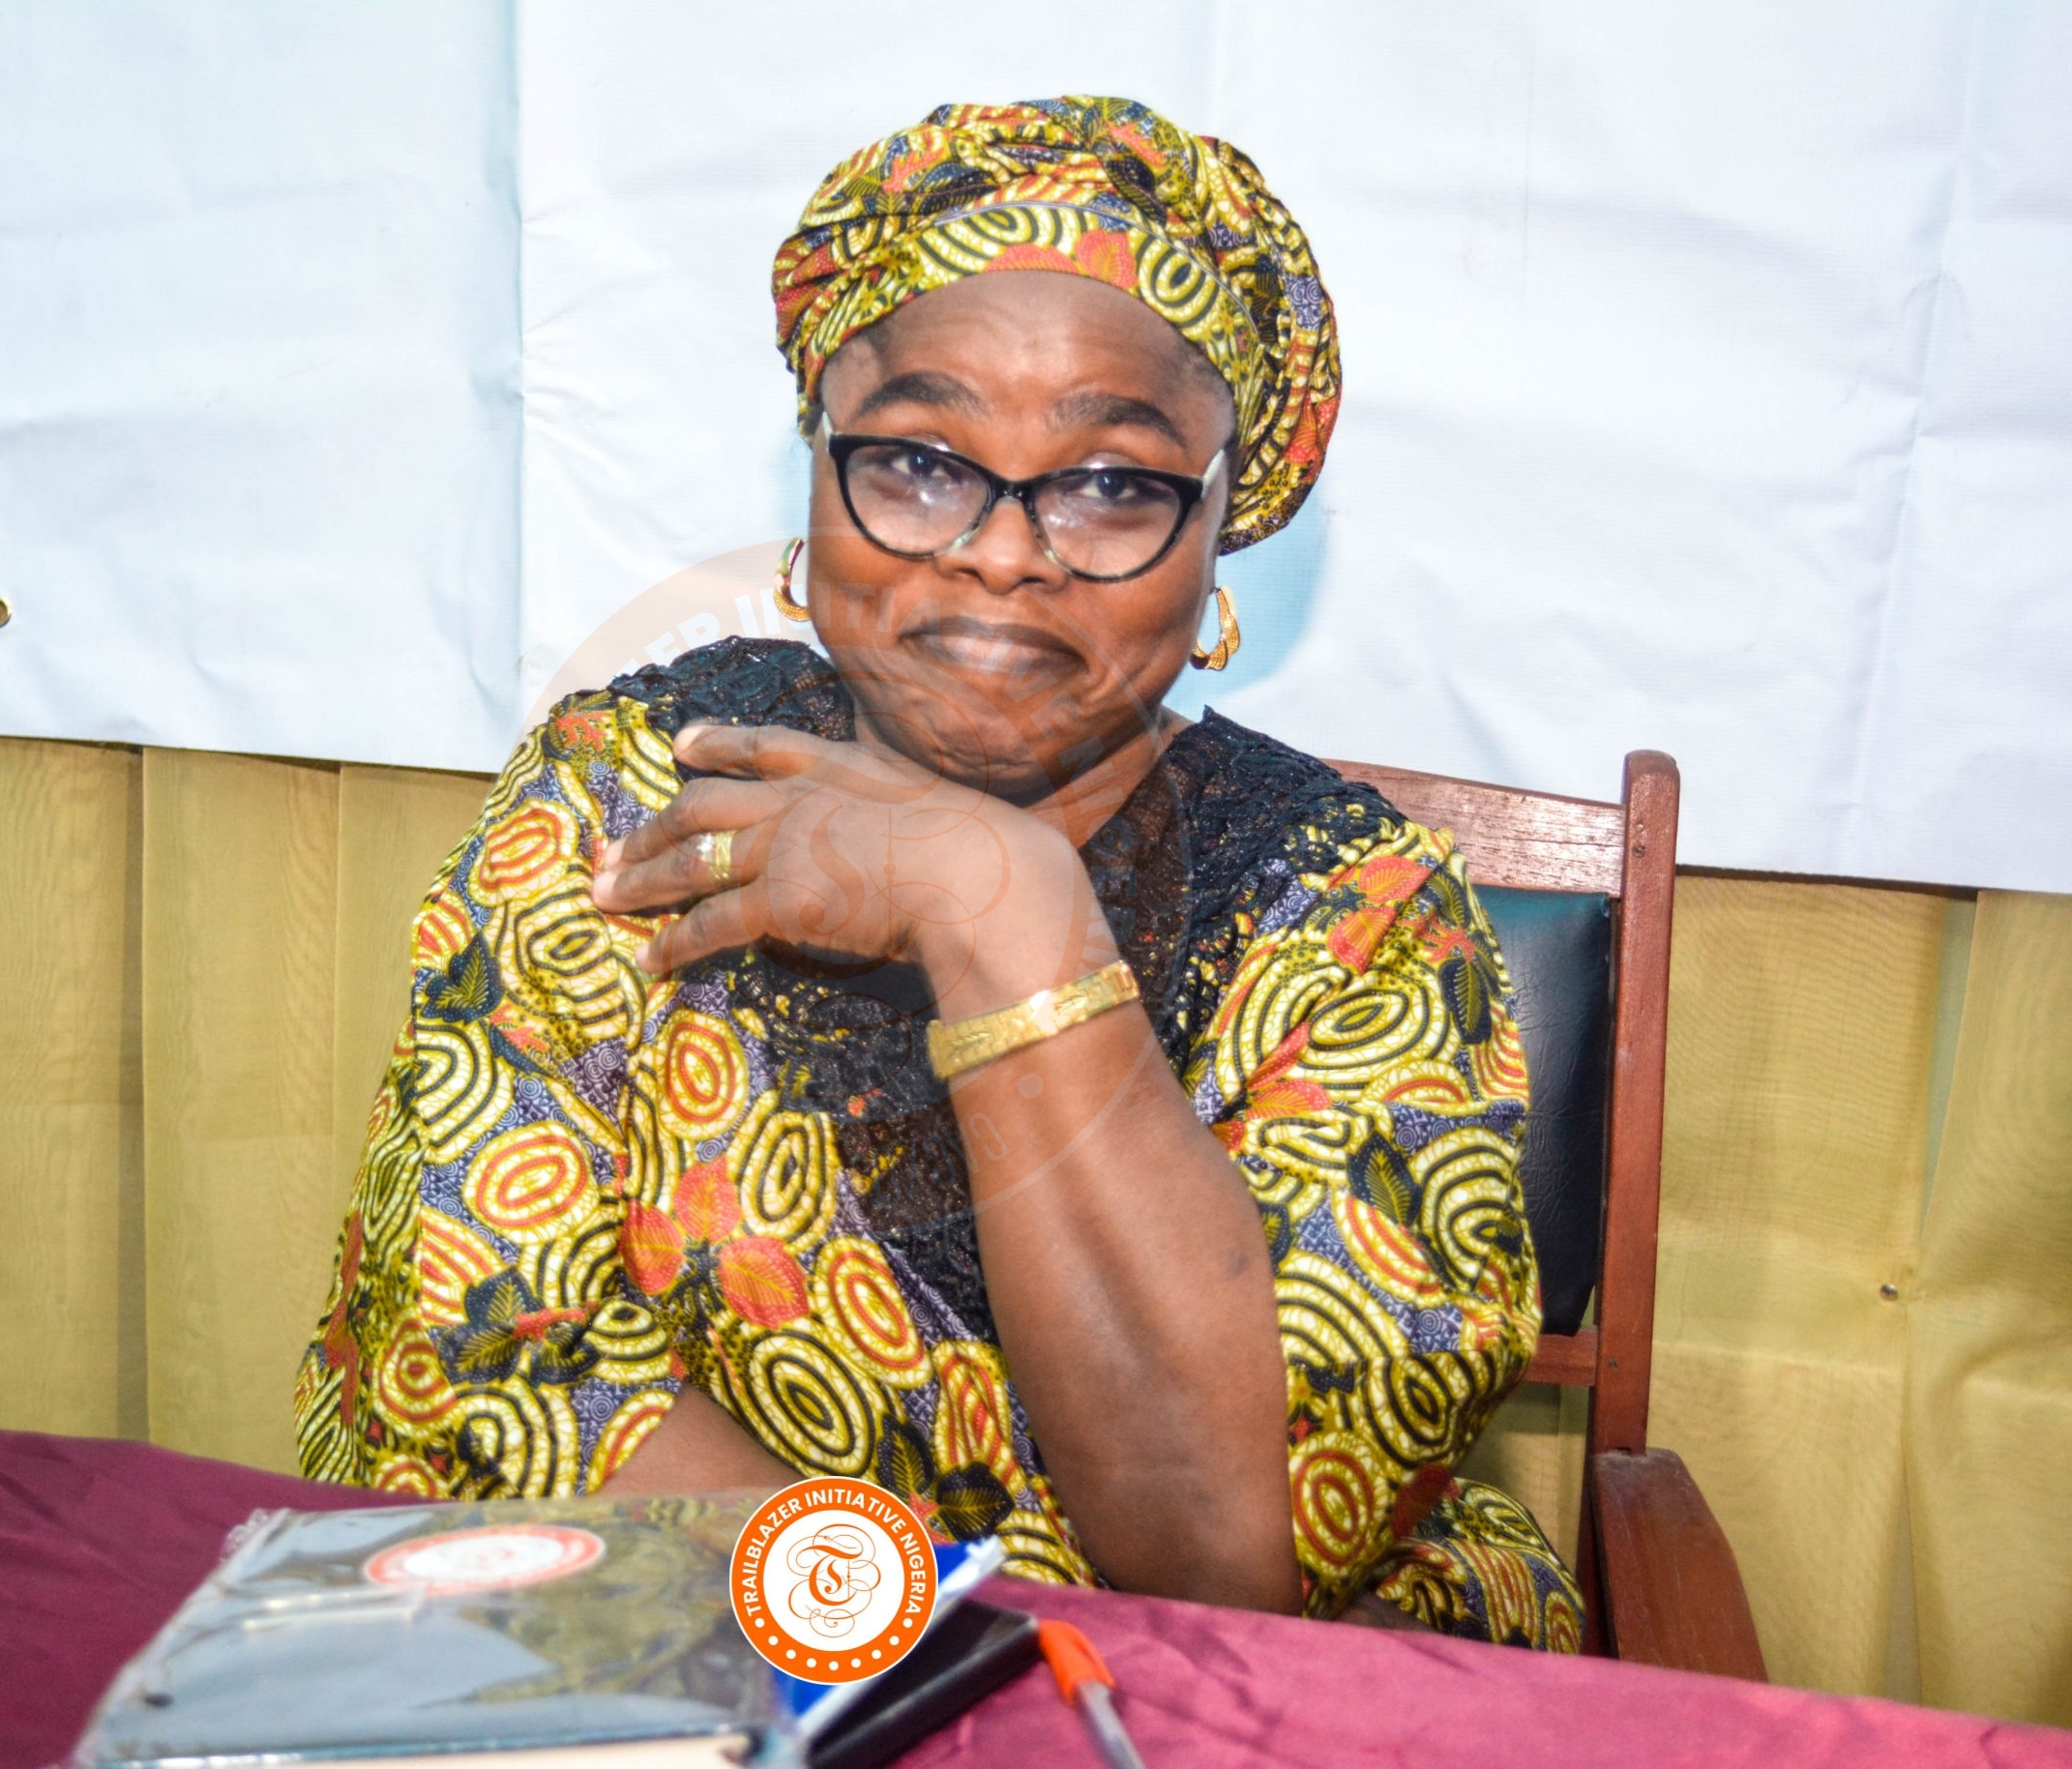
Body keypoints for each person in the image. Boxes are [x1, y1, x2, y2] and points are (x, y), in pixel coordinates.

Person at [297, 96, 1583, 1649]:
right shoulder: (629, 787)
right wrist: (915, 1659)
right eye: (917, 461)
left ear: (1220, 528)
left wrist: (1007, 914)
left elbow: (1228, 1559)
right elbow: (482, 1374)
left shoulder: (1358, 913)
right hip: (707, 1655)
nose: (1002, 551)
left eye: (1111, 483)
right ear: (816, 472)